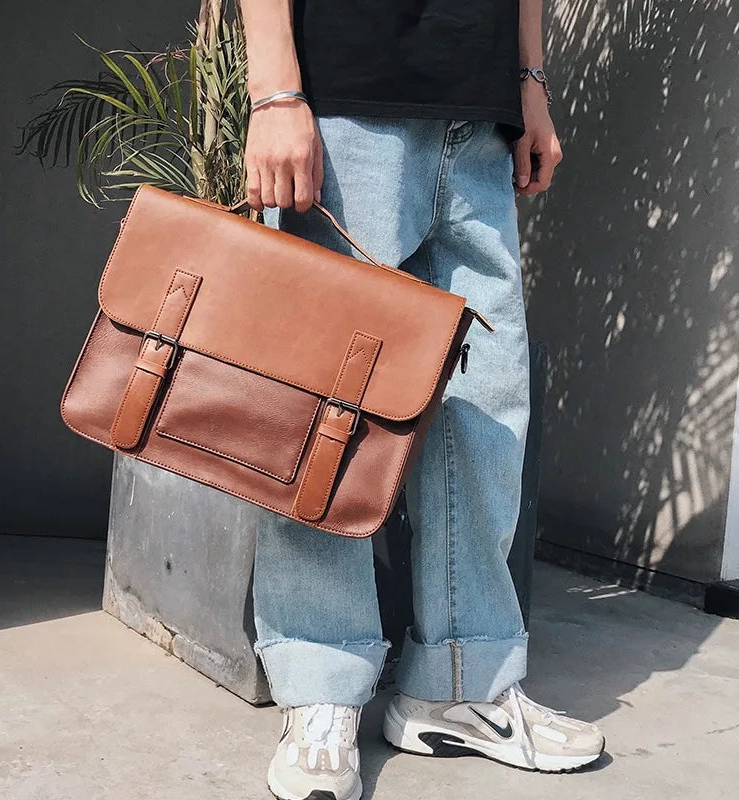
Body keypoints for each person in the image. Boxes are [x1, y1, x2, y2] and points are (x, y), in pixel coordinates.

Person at [238, 2, 605, 798]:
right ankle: (322, 686)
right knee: (325, 411)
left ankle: (460, 681)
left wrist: (529, 82)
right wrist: (275, 91)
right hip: (342, 108)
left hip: (479, 117)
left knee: (483, 409)